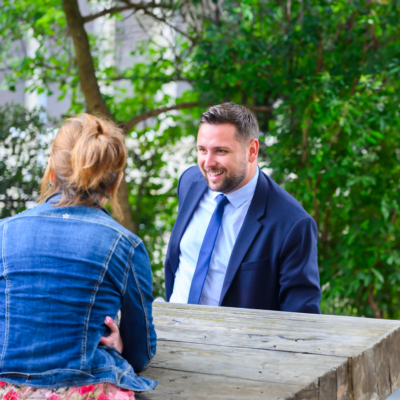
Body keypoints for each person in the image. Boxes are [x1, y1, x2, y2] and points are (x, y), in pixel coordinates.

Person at [0, 114, 157, 399]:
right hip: (85, 389)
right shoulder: (125, 245)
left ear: (51, 171)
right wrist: (119, 344)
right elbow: (141, 351)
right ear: (116, 181)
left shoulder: (4, 232)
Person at [165, 103, 321, 313]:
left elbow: (302, 317)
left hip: (231, 343)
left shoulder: (292, 224)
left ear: (252, 151)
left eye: (221, 151)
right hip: (170, 332)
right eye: (202, 150)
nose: (208, 163)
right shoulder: (190, 182)